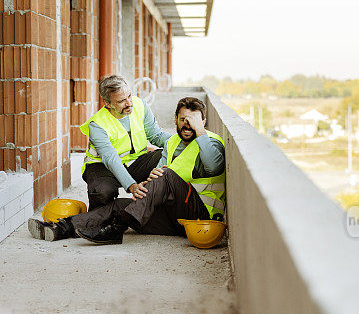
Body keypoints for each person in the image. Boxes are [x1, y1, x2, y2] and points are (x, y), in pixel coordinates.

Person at [29, 97, 225, 245]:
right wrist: (144, 188)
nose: (187, 124)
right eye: (183, 119)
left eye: (193, 120)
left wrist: (201, 132)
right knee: (119, 205)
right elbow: (158, 174)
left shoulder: (212, 141)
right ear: (175, 119)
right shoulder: (172, 142)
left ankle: (116, 227)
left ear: (203, 121)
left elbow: (214, 166)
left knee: (164, 175)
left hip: (201, 217)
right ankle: (60, 228)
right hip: (175, 220)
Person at [80, 74, 173, 210]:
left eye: (129, 96)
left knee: (168, 155)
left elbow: (156, 135)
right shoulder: (97, 124)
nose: (129, 103)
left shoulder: (140, 105)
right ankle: (96, 221)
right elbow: (111, 159)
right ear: (108, 103)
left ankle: (156, 209)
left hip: (134, 162)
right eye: (121, 101)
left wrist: (179, 141)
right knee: (103, 192)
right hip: (102, 167)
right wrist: (132, 186)